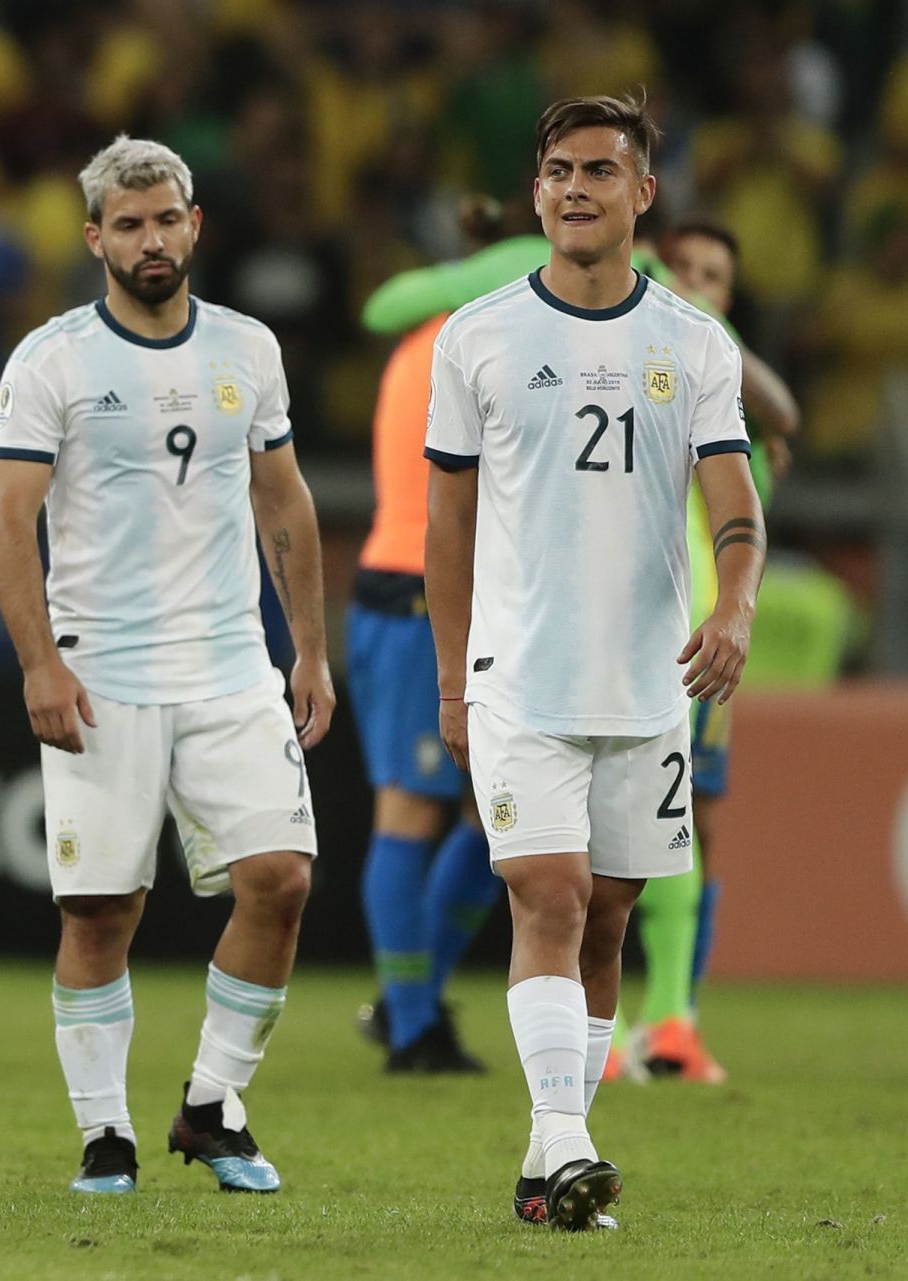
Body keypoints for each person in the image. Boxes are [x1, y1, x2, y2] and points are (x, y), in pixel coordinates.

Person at [423, 94, 765, 1231]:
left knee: (611, 912)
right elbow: (448, 528)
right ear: (536, 194)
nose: (576, 187)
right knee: (553, 897)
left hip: (647, 682)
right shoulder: (475, 337)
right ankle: (565, 1141)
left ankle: (546, 1164)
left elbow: (736, 511)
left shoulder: (692, 344)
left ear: (642, 196)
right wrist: (449, 677)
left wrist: (739, 609)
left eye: (601, 172)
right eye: (559, 170)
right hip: (519, 675)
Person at [0, 135, 332, 1197]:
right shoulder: (53, 360)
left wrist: (308, 645)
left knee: (282, 881)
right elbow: (8, 518)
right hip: (103, 669)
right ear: (95, 239)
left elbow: (284, 500)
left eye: (164, 219)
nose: (149, 239)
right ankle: (106, 1136)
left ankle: (213, 1109)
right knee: (102, 911)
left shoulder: (246, 350)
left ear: (194, 226)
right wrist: (39, 663)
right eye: (126, 225)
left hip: (230, 663)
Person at [617, 221, 800, 1084]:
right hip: (613, 624)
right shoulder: (613, 348)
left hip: (696, 628)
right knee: (599, 829)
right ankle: (609, 1029)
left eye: (710, 275)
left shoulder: (714, 376)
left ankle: (673, 1021)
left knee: (695, 824)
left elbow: (777, 430)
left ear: (729, 295)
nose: (689, 282)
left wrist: (697, 321)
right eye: (677, 266)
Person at [345, 198, 507, 1076]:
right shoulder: (461, 345)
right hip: (416, 592)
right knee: (414, 808)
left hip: (449, 593)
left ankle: (409, 1000)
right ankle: (411, 1026)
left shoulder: (439, 340)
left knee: (495, 817)